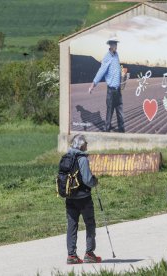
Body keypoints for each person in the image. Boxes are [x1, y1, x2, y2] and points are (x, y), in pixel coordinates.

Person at [65, 134, 101, 264]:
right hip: (84, 197)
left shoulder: (66, 157)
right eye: (86, 142)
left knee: (72, 225)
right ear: (80, 144)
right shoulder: (82, 159)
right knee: (90, 223)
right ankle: (89, 253)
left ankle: (71, 255)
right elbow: (87, 180)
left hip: (69, 197)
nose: (87, 144)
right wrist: (95, 182)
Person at [88, 36, 125, 133]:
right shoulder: (107, 57)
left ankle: (122, 131)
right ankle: (106, 131)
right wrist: (93, 85)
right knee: (109, 112)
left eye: (116, 44)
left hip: (118, 90)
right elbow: (101, 71)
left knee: (120, 111)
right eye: (114, 44)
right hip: (111, 91)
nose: (116, 45)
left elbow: (116, 69)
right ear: (110, 45)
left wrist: (122, 75)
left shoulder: (116, 55)